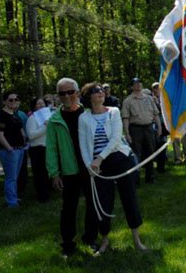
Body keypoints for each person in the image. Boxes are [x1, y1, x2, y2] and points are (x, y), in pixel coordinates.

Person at [78, 82, 146, 254]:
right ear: (88, 96)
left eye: (102, 90)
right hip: (98, 167)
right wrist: (90, 167)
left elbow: (116, 138)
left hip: (120, 159)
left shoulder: (113, 112)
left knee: (129, 198)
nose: (101, 92)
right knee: (103, 202)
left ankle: (137, 241)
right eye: (95, 91)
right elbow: (84, 146)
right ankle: (105, 241)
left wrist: (98, 160)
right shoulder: (84, 117)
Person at [46, 77, 98, 257]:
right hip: (69, 171)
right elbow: (51, 149)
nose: (67, 96)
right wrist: (54, 174)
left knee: (93, 205)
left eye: (70, 92)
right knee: (68, 208)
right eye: (62, 93)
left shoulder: (89, 114)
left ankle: (90, 239)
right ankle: (67, 244)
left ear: (77, 93)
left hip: (90, 167)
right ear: (58, 96)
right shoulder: (54, 120)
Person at [121, 78, 161, 185]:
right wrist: (127, 133)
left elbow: (156, 114)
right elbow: (125, 118)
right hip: (135, 129)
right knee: (136, 154)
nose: (138, 85)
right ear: (131, 87)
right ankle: (136, 178)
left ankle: (150, 177)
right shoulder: (127, 101)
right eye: (135, 83)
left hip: (148, 128)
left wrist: (159, 128)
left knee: (150, 152)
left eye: (139, 83)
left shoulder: (149, 98)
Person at [0, 92, 26, 207]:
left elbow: (21, 131)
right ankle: (11, 202)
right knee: (11, 178)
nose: (14, 101)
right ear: (4, 101)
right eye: (10, 100)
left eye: (16, 99)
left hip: (20, 149)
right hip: (9, 151)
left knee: (14, 177)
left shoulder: (15, 115)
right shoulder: (1, 115)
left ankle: (14, 198)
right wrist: (10, 149)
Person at [25, 97, 52, 202]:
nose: (41, 105)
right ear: (34, 106)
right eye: (38, 104)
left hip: (47, 148)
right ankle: (42, 196)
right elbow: (31, 135)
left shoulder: (49, 116)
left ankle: (48, 192)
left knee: (46, 173)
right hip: (37, 149)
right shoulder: (32, 118)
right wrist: (46, 127)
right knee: (39, 174)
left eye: (42, 103)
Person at [150, 82, 169, 173]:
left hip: (163, 125)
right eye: (154, 88)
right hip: (153, 125)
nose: (156, 89)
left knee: (162, 143)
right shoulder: (149, 99)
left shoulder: (164, 99)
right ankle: (154, 164)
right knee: (154, 145)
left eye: (157, 88)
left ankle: (161, 166)